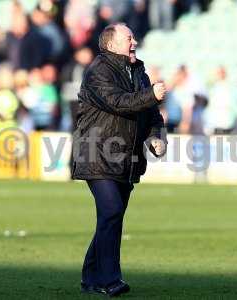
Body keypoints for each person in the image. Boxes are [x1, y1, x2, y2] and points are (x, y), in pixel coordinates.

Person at [71, 23, 167, 297]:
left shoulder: (139, 71)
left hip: (128, 158)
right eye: (129, 38)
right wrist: (152, 95)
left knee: (109, 218)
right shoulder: (98, 71)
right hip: (97, 154)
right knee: (112, 211)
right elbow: (119, 101)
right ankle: (109, 279)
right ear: (112, 44)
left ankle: (90, 277)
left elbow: (150, 113)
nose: (135, 41)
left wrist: (156, 135)